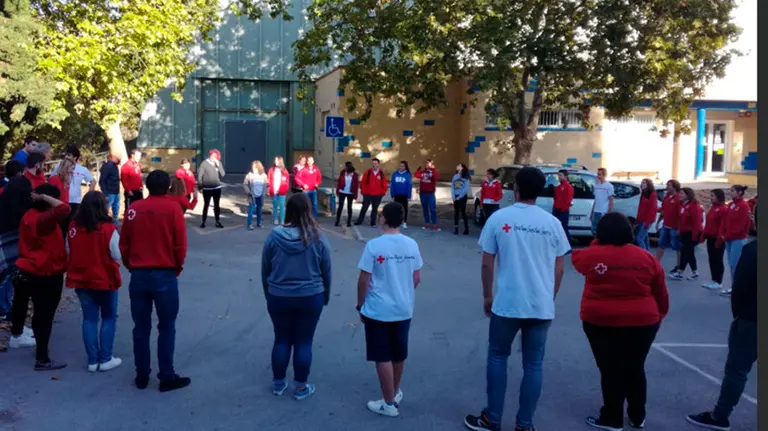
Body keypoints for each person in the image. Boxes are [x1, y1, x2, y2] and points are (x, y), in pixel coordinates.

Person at [464, 167, 571, 431]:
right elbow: (559, 268)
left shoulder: (500, 218)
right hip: (540, 306)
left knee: (498, 357)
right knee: (533, 364)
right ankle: (525, 424)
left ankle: (492, 418)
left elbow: (487, 263)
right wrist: (550, 297)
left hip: (508, 304)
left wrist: (487, 295)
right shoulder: (553, 223)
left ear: (516, 189)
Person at [572, 212, 669, 431]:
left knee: (610, 368)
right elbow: (661, 292)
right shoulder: (646, 258)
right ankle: (637, 415)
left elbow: (577, 260)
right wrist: (659, 316)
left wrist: (598, 244)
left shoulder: (591, 255)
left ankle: (612, 416)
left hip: (600, 321)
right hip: (643, 321)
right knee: (635, 367)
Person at [119, 170, 190, 392]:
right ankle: (166, 375)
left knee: (141, 327)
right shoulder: (173, 210)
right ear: (168, 186)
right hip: (164, 273)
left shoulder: (133, 210)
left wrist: (131, 264)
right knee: (167, 326)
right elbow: (180, 244)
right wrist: (176, 266)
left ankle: (142, 374)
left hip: (139, 274)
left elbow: (124, 243)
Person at [686, 212, 756, 431]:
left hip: (752, 320)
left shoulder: (753, 251)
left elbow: (740, 287)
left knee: (737, 370)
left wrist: (740, 316)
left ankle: (720, 416)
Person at [261, 193, 332, 400]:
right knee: (304, 341)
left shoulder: (274, 236)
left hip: (279, 295)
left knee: (281, 339)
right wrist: (325, 295)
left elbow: (265, 269)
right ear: (308, 210)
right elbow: (326, 269)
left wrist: (269, 293)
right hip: (311, 295)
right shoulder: (317, 236)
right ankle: (301, 387)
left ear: (288, 211)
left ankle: (278, 383)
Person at [356, 201, 423, 417]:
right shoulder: (411, 244)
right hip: (403, 308)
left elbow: (364, 279)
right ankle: (393, 393)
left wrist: (360, 304)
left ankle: (388, 403)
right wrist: (401, 290)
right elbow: (416, 277)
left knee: (382, 355)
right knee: (398, 354)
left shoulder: (374, 246)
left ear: (384, 219)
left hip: (378, 309)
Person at [10, 184, 70, 370]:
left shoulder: (28, 216)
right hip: (46, 271)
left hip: (29, 268)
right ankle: (42, 358)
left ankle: (25, 338)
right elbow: (64, 208)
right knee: (45, 315)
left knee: (37, 312)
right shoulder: (43, 220)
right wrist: (44, 197)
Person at [66, 191, 123, 372]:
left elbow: (68, 249)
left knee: (89, 319)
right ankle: (105, 358)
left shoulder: (73, 228)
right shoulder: (108, 229)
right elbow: (117, 254)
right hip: (105, 278)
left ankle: (92, 360)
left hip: (81, 279)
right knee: (108, 317)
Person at [0, 177, 33, 324]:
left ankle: (5, 307)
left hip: (6, 247)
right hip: (13, 250)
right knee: (11, 283)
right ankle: (5, 309)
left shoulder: (5, 201)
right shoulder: (23, 209)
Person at [718, 185, 751, 297]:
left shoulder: (743, 206)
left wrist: (729, 235)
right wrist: (722, 233)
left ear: (739, 192)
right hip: (729, 238)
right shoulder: (731, 204)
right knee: (732, 265)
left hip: (738, 239)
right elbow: (725, 220)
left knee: (735, 264)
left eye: (732, 191)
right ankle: (734, 287)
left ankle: (738, 289)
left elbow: (741, 225)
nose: (730, 192)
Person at [51, 145, 97, 216]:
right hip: (61, 200)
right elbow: (52, 180)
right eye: (66, 154)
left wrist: (88, 197)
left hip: (76, 201)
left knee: (73, 223)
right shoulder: (58, 166)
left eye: (69, 155)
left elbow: (93, 181)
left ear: (75, 157)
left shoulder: (82, 169)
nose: (66, 157)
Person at [669, 188, 703, 281]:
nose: (680, 195)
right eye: (679, 193)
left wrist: (695, 236)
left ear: (688, 195)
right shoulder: (681, 205)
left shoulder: (694, 206)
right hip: (685, 232)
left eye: (682, 194)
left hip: (693, 232)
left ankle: (680, 272)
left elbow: (697, 222)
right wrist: (679, 229)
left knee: (685, 251)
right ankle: (695, 272)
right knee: (690, 253)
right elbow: (680, 219)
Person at [655, 179, 682, 273]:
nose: (667, 187)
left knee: (677, 247)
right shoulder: (666, 198)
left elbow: (680, 215)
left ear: (675, 187)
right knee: (660, 245)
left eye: (669, 185)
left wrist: (679, 228)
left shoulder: (678, 198)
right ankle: (656, 264)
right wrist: (658, 222)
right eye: (667, 184)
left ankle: (679, 266)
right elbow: (663, 211)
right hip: (666, 226)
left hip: (674, 227)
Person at [702, 189, 727, 290]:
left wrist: (719, 239)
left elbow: (723, 225)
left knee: (718, 259)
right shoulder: (713, 207)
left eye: (712, 196)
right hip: (710, 237)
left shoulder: (723, 209)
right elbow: (709, 223)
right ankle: (713, 279)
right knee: (711, 259)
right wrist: (704, 234)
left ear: (719, 197)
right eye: (711, 195)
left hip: (718, 238)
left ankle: (719, 281)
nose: (710, 198)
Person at [197, 149, 226, 229]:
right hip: (207, 188)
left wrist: (218, 165)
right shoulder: (204, 163)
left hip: (217, 188)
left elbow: (223, 174)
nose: (213, 157)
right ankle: (203, 221)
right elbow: (200, 176)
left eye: (215, 156)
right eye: (212, 155)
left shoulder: (218, 163)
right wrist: (200, 186)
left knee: (217, 206)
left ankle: (217, 221)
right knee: (206, 205)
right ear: (210, 155)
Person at [356, 158, 388, 227]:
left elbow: (384, 184)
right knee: (364, 207)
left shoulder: (381, 173)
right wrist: (363, 191)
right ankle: (359, 221)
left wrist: (382, 193)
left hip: (377, 195)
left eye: (375, 163)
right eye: (373, 164)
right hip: (367, 194)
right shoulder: (367, 172)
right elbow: (363, 183)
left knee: (374, 209)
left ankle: (373, 223)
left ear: (378, 164)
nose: (374, 165)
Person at [48, 158, 75, 236]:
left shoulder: (66, 180)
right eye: (71, 168)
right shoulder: (54, 179)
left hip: (65, 211)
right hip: (56, 212)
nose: (72, 171)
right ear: (66, 167)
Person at [415, 160, 439, 230]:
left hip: (430, 194)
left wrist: (433, 169)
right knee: (425, 208)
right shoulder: (422, 172)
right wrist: (418, 170)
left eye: (429, 163)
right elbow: (416, 175)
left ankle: (434, 224)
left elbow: (436, 177)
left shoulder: (434, 171)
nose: (427, 164)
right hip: (423, 193)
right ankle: (427, 223)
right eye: (426, 163)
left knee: (432, 209)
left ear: (432, 164)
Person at [243, 160, 268, 230]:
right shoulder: (250, 175)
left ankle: (259, 223)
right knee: (251, 210)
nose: (253, 169)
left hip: (260, 196)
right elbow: (245, 184)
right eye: (252, 167)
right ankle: (250, 224)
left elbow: (266, 185)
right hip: (252, 196)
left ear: (259, 168)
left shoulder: (263, 175)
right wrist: (248, 192)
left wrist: (265, 192)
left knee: (259, 210)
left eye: (255, 168)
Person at [634, 178, 657, 251]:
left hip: (647, 220)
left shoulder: (652, 194)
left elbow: (652, 209)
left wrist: (647, 222)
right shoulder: (643, 194)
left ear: (648, 185)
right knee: (645, 239)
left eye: (644, 183)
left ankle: (645, 254)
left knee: (639, 239)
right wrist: (637, 220)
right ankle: (648, 253)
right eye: (642, 182)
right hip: (641, 219)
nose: (642, 184)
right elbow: (640, 208)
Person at [552, 169, 574, 243]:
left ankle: (568, 244)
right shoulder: (557, 188)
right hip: (556, 210)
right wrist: (554, 208)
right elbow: (555, 199)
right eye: (558, 175)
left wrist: (563, 209)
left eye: (560, 175)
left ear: (565, 176)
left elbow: (569, 200)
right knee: (556, 228)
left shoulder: (569, 187)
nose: (559, 177)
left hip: (563, 211)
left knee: (563, 229)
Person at [590, 168, 614, 234]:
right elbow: (596, 200)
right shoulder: (596, 185)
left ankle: (600, 243)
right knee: (593, 230)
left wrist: (608, 213)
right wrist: (592, 212)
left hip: (603, 212)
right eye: (597, 174)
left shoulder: (609, 186)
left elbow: (611, 201)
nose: (598, 176)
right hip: (595, 211)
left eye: (599, 174)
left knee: (601, 230)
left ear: (604, 175)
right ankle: (596, 243)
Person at [267, 156, 290, 225]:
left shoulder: (284, 170)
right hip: (274, 190)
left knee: (282, 205)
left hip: (282, 190)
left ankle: (282, 220)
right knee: (275, 205)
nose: (275, 162)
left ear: (280, 161)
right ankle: (276, 219)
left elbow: (287, 180)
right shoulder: (271, 170)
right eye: (275, 160)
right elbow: (268, 180)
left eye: (277, 160)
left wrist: (286, 188)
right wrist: (268, 189)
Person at [120, 148, 144, 214]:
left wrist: (141, 185)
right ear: (132, 155)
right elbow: (123, 179)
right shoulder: (126, 166)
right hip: (131, 192)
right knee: (130, 209)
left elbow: (138, 176)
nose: (139, 158)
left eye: (140, 156)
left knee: (139, 208)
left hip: (138, 190)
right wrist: (128, 190)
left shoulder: (137, 164)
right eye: (137, 156)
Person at [335, 161, 359, 227]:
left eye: (345, 166)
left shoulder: (355, 174)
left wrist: (355, 196)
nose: (344, 167)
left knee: (349, 207)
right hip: (342, 191)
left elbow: (356, 186)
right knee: (340, 207)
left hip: (350, 192)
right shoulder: (342, 172)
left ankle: (349, 222)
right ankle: (337, 221)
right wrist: (337, 191)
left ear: (348, 167)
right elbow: (339, 182)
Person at [99, 154, 121, 225]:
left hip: (115, 192)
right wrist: (105, 194)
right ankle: (103, 225)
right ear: (112, 157)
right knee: (105, 211)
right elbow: (102, 180)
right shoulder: (108, 166)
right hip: (109, 192)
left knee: (116, 210)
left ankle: (115, 226)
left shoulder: (115, 166)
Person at [390, 161, 412, 229]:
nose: (401, 167)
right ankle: (396, 222)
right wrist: (392, 193)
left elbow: (409, 185)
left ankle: (404, 222)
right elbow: (392, 184)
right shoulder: (395, 174)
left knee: (404, 209)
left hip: (404, 195)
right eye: (400, 166)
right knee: (396, 209)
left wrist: (409, 195)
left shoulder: (407, 175)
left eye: (402, 166)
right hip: (397, 195)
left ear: (405, 167)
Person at [452, 164, 471, 235]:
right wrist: (453, 196)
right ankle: (456, 228)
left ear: (462, 168)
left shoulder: (466, 177)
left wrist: (459, 197)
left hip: (462, 197)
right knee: (456, 213)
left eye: (459, 165)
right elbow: (452, 187)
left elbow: (465, 189)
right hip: (456, 196)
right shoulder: (455, 176)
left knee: (463, 212)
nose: (457, 166)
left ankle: (466, 229)